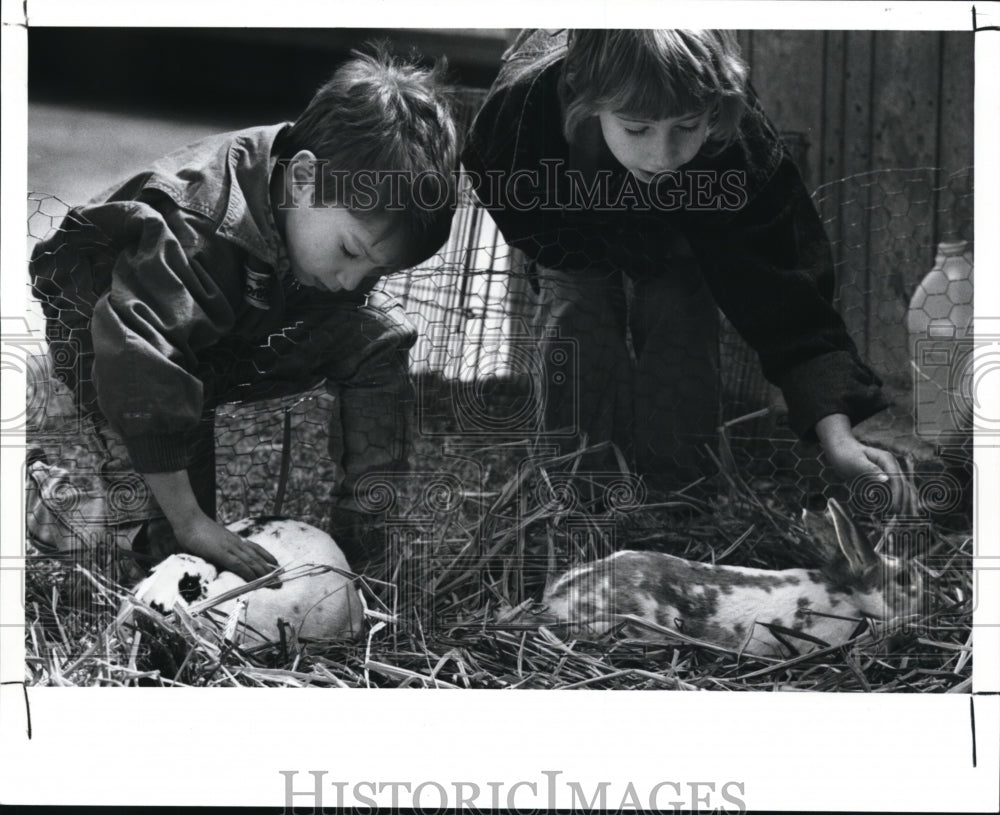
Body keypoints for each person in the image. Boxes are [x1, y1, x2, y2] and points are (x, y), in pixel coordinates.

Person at [29, 46, 460, 581]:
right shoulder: (195, 229)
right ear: (303, 180)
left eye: (376, 271)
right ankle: (51, 504)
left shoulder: (322, 197)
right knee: (173, 560)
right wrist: (190, 521)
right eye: (351, 252)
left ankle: (364, 552)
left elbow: (345, 295)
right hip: (114, 336)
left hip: (228, 320)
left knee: (378, 338)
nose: (354, 283)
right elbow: (143, 363)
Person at [462, 29, 905, 510]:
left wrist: (840, 441)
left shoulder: (738, 148)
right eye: (637, 129)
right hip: (568, 210)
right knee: (579, 304)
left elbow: (790, 302)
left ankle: (680, 501)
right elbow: (506, 190)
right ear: (587, 102)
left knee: (679, 304)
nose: (663, 155)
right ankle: (574, 499)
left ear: (715, 111)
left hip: (688, 215)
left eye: (687, 126)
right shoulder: (522, 116)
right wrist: (582, 249)